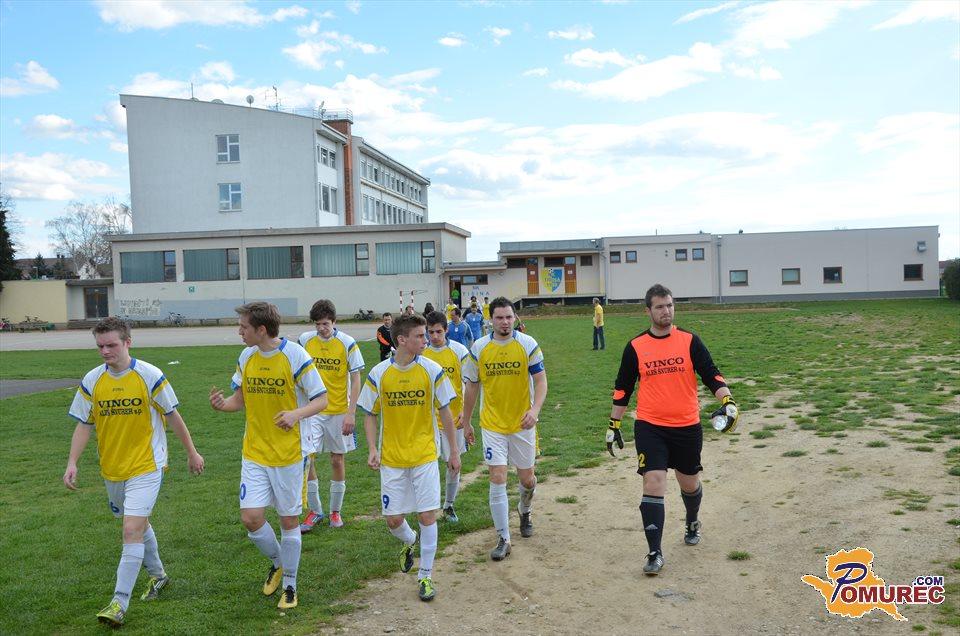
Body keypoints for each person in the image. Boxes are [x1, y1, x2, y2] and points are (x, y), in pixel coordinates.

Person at [64, 317, 205, 627]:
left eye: (111, 345)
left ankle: (118, 603)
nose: (105, 351)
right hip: (112, 469)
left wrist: (192, 452)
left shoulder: (149, 375)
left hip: (147, 465)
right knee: (138, 524)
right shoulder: (92, 380)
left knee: (130, 530)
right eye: (100, 346)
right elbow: (85, 424)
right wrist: (72, 462)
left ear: (128, 342)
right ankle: (159, 576)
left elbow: (173, 416)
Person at [608, 283, 738, 576]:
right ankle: (654, 552)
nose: (666, 311)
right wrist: (614, 424)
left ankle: (692, 520)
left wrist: (728, 400)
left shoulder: (689, 341)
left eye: (669, 305)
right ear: (648, 311)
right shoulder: (635, 346)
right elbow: (622, 389)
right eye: (659, 307)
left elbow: (712, 374)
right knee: (653, 482)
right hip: (650, 426)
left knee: (688, 483)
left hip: (687, 425)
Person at [209, 302, 327, 610]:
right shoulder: (247, 356)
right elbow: (239, 400)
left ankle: (290, 584)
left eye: (244, 327)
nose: (239, 332)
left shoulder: (295, 355)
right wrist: (223, 405)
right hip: (254, 452)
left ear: (261, 330)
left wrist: (295, 414)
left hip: (289, 454)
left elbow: (322, 399)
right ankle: (278, 561)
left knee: (288, 520)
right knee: (251, 518)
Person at [359, 313, 460, 602]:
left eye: (426, 334)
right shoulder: (379, 373)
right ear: (402, 340)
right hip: (392, 459)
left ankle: (425, 575)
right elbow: (369, 414)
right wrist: (373, 449)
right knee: (393, 520)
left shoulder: (432, 370)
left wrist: (453, 451)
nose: (425, 340)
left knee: (427, 515)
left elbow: (445, 412)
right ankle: (409, 540)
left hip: (425, 455)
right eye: (419, 336)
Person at [461, 297, 547, 561]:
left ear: (515, 318)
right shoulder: (479, 348)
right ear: (491, 320)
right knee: (497, 477)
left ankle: (525, 510)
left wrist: (534, 411)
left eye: (509, 317)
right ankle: (503, 538)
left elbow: (541, 381)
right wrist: (467, 421)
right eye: (499, 318)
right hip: (492, 424)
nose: (505, 322)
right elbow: (472, 386)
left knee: (527, 480)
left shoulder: (528, 344)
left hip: (522, 424)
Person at [298, 300, 365, 533]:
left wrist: (351, 413)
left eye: (325, 324)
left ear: (334, 322)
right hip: (313, 411)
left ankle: (335, 511)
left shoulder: (347, 343)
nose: (321, 328)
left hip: (338, 411)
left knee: (337, 460)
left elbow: (356, 379)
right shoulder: (305, 341)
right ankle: (315, 511)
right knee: (307, 459)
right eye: (317, 324)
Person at [423, 311, 470, 522]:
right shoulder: (422, 353)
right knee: (428, 465)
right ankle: (428, 507)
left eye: (438, 332)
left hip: (454, 418)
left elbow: (470, 383)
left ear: (446, 330)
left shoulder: (459, 351)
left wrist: (465, 412)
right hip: (428, 421)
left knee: (453, 464)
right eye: (430, 332)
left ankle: (449, 505)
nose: (434, 336)